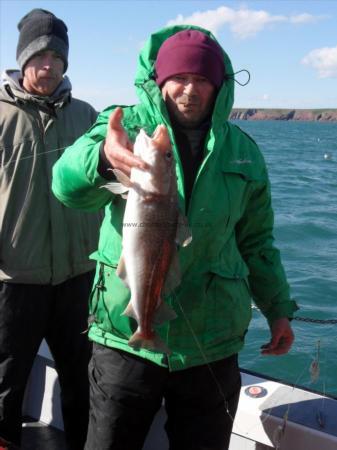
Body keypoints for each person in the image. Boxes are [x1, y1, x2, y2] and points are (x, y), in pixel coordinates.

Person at [52, 25, 299, 450]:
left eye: (202, 79)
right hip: (124, 336)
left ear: (218, 86)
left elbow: (257, 242)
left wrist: (277, 309)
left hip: (211, 343)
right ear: (160, 81)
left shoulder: (244, 152)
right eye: (179, 78)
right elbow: (65, 184)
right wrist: (102, 160)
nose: (189, 89)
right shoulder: (125, 128)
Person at [0, 9, 102, 450]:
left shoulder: (89, 117)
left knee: (86, 380)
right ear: (22, 61)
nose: (48, 67)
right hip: (14, 279)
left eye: (56, 58)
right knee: (6, 385)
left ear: (66, 64)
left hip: (79, 278)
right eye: (39, 57)